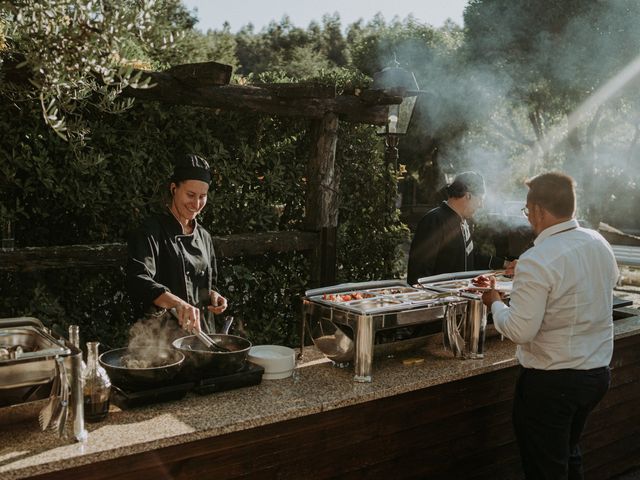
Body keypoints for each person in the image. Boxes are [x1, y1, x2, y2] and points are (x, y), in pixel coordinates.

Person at [481, 171, 619, 480]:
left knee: (545, 470)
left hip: (553, 384)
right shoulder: (599, 242)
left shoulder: (537, 259)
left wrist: (493, 301)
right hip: (596, 374)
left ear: (539, 210)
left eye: (527, 210)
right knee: (568, 455)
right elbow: (589, 287)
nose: (527, 217)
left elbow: (519, 330)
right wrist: (530, 278)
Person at [127, 153, 228, 336]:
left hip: (202, 336)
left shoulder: (204, 236)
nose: (196, 204)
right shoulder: (151, 230)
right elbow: (138, 279)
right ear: (174, 188)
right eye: (190, 195)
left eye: (202, 196)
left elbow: (209, 283)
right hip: (162, 340)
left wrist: (214, 296)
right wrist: (178, 303)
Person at [407, 171, 508, 285]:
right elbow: (419, 271)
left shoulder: (464, 222)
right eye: (480, 199)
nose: (481, 205)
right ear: (468, 195)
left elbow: (470, 258)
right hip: (441, 300)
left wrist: (505, 264)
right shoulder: (434, 221)